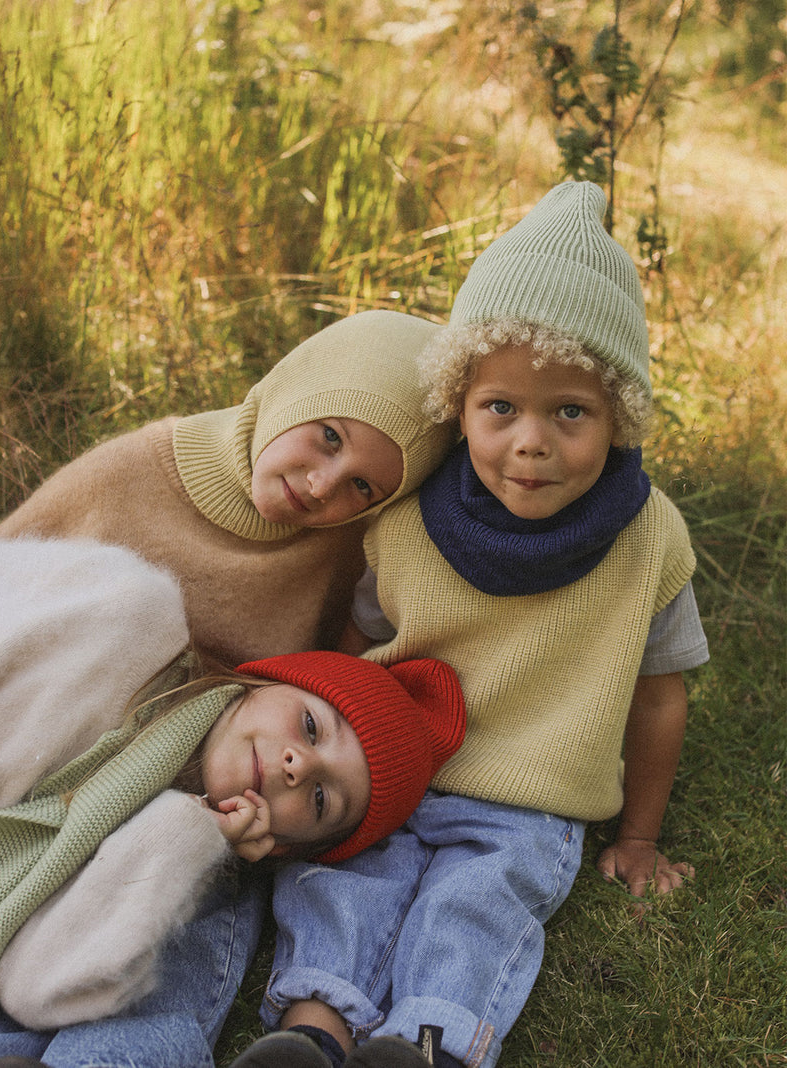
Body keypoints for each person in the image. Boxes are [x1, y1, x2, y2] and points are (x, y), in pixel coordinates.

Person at [234, 181, 710, 1068]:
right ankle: (313, 1029)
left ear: (621, 418)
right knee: (341, 879)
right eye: (502, 409)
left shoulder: (648, 539)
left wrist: (639, 835)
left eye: (571, 412)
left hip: (530, 799)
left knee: (474, 905)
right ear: (458, 403)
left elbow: (658, 698)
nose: (531, 442)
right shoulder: (411, 522)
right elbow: (358, 651)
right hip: (396, 764)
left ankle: (429, 1045)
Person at [0, 537, 466, 1068]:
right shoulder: (129, 627)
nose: (299, 766)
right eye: (310, 726)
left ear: (283, 846)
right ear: (267, 679)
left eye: (321, 798)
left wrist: (186, 837)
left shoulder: (196, 876)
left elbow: (38, 987)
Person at [0, 310, 457, 666]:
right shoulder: (127, 473)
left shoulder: (352, 548)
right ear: (293, 390)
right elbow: (2, 581)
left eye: (362, 486)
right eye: (329, 436)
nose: (320, 486)